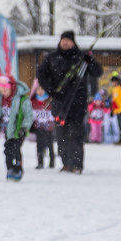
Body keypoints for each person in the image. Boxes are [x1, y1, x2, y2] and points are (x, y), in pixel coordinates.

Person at [36, 30, 103, 174]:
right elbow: (40, 74)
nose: (65, 42)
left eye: (68, 40)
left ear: (73, 42)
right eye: (63, 39)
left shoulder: (81, 57)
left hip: (77, 101)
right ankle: (66, 163)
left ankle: (77, 164)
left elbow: (97, 72)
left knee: (76, 133)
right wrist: (50, 90)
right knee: (61, 134)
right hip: (59, 101)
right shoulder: (52, 57)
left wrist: (90, 61)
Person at [0, 75, 33, 181]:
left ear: (11, 87)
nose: (3, 92)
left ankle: (18, 169)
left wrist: (24, 128)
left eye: (5, 89)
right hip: (8, 129)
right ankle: (10, 169)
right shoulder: (0, 97)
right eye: (1, 89)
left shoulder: (21, 99)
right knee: (7, 150)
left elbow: (29, 115)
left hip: (18, 129)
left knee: (16, 149)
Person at [31, 85, 56, 169]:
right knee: (39, 144)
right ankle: (40, 162)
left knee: (49, 144)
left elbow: (53, 113)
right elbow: (32, 114)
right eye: (38, 89)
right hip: (38, 127)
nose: (40, 91)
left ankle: (52, 161)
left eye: (42, 89)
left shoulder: (50, 101)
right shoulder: (33, 101)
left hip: (49, 127)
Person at [109, 73, 121, 145]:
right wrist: (112, 110)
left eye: (114, 81)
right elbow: (114, 100)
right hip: (117, 110)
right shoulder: (115, 89)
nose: (113, 83)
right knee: (120, 126)